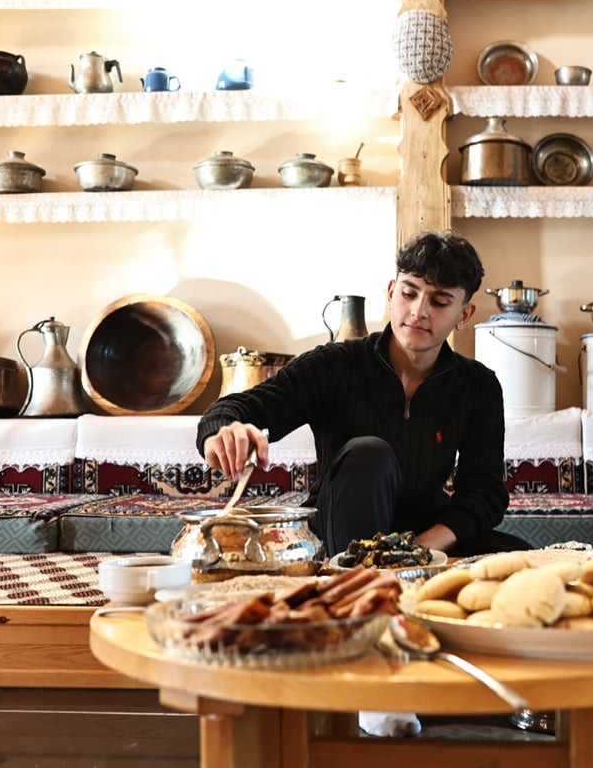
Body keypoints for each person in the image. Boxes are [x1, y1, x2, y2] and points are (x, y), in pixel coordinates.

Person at [196, 230, 527, 558]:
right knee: (369, 452)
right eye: (409, 293)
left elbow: (483, 491)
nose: (418, 311)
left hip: (423, 532)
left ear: (464, 315)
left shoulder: (477, 385)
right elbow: (239, 408)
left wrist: (418, 550)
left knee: (522, 558)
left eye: (439, 302)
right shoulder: (334, 364)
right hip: (340, 529)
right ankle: (357, 576)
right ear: (391, 293)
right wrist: (222, 431)